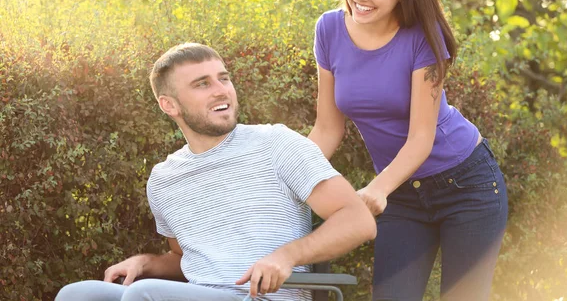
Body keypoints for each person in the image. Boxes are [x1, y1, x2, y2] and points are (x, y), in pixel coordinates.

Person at [55, 43, 376, 301]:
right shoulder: (164, 179)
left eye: (223, 78)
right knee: (78, 294)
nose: (221, 90)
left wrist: (287, 256)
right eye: (202, 84)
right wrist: (147, 263)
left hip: (260, 297)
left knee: (144, 294)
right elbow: (187, 260)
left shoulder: (276, 144)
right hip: (196, 294)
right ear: (170, 105)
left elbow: (358, 220)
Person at [308, 0, 508, 301]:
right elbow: (327, 127)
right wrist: (290, 178)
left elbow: (421, 138)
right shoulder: (330, 29)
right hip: (402, 193)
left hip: (467, 185)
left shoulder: (424, 36)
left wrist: (377, 189)